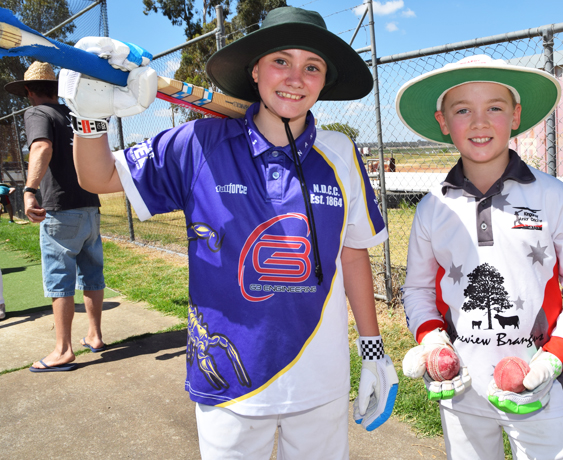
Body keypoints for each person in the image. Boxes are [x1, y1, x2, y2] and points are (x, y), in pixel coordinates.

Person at [59, 6, 397, 459]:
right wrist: (88, 118)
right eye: (281, 61)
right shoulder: (197, 143)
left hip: (321, 383)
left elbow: (353, 253)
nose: (295, 78)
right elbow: (97, 177)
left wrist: (373, 349)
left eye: (312, 67)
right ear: (255, 70)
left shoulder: (340, 152)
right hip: (228, 384)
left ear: (324, 82)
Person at [397, 55, 563, 459]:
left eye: (494, 107)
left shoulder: (554, 196)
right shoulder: (431, 207)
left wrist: (553, 360)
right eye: (463, 110)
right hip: (460, 391)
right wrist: (432, 338)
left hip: (539, 389)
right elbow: (417, 289)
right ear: (443, 121)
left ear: (516, 115)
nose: (480, 122)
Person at [4, 61, 107, 372]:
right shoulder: (74, 114)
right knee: (92, 274)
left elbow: (41, 147)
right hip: (90, 204)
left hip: (61, 209)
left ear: (28, 91)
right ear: (56, 89)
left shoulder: (37, 112)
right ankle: (95, 335)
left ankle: (63, 350)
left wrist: (29, 190)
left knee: (59, 278)